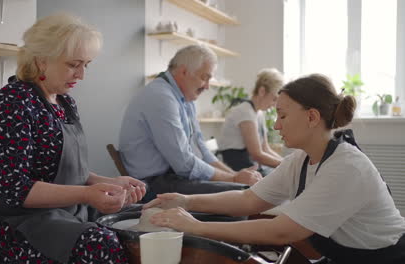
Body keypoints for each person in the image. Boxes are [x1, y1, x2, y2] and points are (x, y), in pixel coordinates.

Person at [145, 74, 405, 264]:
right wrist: (186, 201)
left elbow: (282, 231)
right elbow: (249, 200)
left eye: (282, 116)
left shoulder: (347, 167)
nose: (277, 126)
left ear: (312, 117)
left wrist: (195, 227)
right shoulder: (300, 160)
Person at [0, 13, 146, 264]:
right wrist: (87, 195)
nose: (81, 75)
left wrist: (112, 183)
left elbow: (69, 171)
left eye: (86, 64)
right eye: (73, 64)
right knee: (103, 245)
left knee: (137, 224)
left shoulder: (65, 102)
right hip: (17, 226)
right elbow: (15, 190)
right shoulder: (13, 102)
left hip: (64, 215)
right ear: (42, 60)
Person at [119, 45, 262, 199]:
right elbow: (184, 164)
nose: (207, 86)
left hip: (172, 178)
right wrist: (233, 179)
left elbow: (201, 148)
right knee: (240, 194)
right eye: (204, 77)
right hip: (152, 184)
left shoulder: (185, 99)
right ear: (184, 72)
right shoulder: (161, 97)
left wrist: (234, 174)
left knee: (242, 188)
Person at [218, 68, 284, 175]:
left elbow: (265, 148)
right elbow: (257, 154)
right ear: (262, 91)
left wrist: (286, 162)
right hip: (236, 167)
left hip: (249, 165)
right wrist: (287, 165)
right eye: (274, 99)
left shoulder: (259, 113)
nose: (274, 105)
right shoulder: (244, 111)